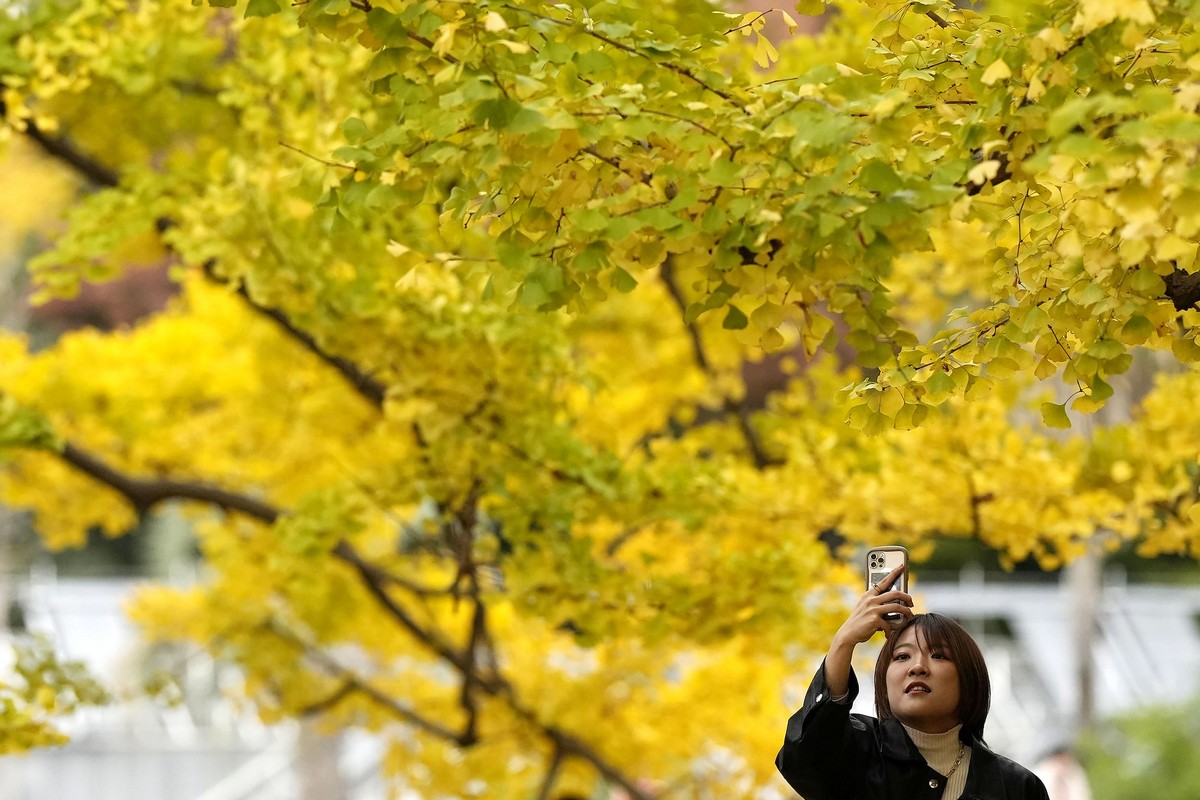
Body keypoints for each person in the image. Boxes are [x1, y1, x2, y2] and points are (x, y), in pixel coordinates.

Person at [776, 564, 1050, 800]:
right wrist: (843, 642)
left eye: (939, 655)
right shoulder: (858, 754)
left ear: (969, 678)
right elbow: (806, 755)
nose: (917, 667)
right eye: (902, 656)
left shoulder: (1015, 787)